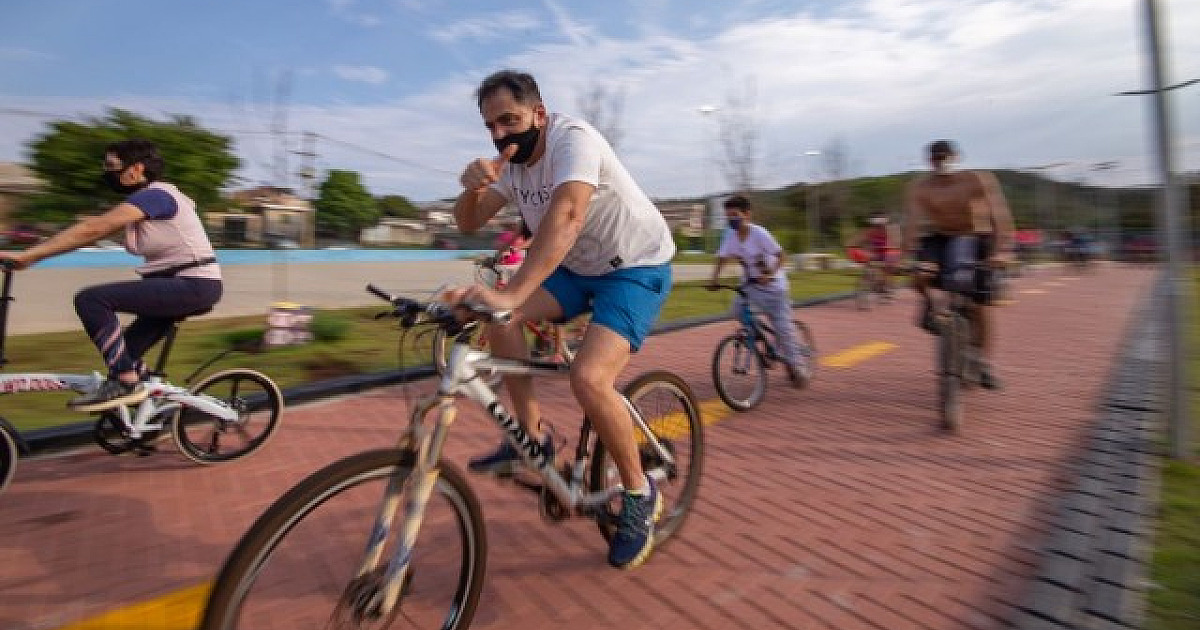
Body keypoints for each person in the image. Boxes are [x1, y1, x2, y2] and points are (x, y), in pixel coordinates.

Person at [445, 70, 676, 569]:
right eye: (490, 126)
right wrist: (469, 189)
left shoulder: (574, 140)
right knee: (496, 318)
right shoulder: (509, 166)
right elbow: (468, 221)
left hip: (635, 267)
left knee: (589, 378)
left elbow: (568, 215)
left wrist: (514, 292)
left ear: (540, 114)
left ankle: (638, 494)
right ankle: (532, 438)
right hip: (577, 270)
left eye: (510, 119)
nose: (501, 134)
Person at [0, 139, 222, 412]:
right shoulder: (148, 200)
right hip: (177, 286)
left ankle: (126, 383)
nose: (106, 173)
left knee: (92, 300)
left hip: (192, 285)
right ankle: (147, 411)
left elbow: (92, 230)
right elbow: (89, 234)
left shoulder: (157, 196)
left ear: (136, 169)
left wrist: (28, 256)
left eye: (111, 167)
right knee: (123, 354)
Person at [902, 139, 1014, 393]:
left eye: (945, 155)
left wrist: (1001, 251)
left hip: (977, 237)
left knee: (980, 305)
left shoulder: (976, 179)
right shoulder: (921, 187)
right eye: (935, 157)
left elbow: (1000, 215)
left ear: (955, 157)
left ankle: (983, 363)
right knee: (920, 273)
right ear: (929, 161)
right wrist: (905, 255)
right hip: (941, 238)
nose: (940, 160)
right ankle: (930, 304)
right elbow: (911, 223)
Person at [707, 195, 810, 385]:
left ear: (747, 214)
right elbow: (722, 258)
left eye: (735, 215)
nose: (732, 220)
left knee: (783, 329)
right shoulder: (730, 236)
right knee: (737, 309)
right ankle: (755, 337)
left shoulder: (760, 234)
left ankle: (797, 367)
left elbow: (781, 256)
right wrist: (714, 280)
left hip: (774, 289)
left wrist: (770, 273)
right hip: (751, 284)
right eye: (728, 216)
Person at [847, 210, 900, 295]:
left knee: (887, 265)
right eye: (876, 220)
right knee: (868, 261)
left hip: (889, 252)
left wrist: (891, 246)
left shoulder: (891, 229)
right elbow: (859, 239)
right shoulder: (870, 230)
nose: (878, 223)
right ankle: (870, 281)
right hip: (876, 252)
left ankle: (887, 284)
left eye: (881, 219)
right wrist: (851, 244)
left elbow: (895, 241)